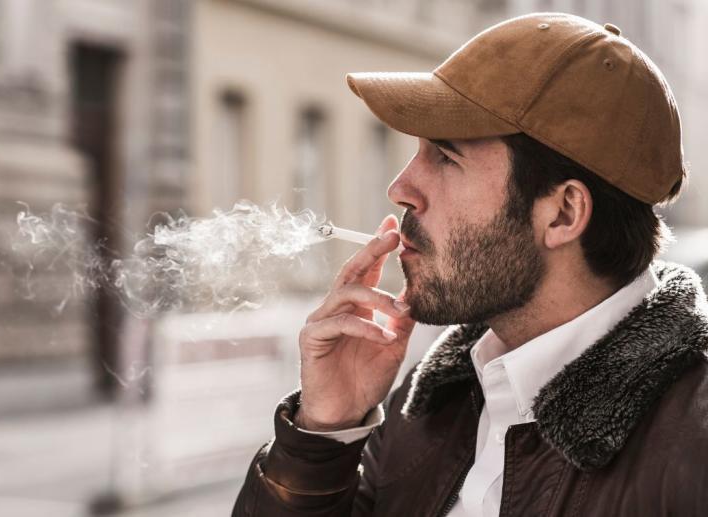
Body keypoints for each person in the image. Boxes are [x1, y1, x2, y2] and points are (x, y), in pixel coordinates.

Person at [232, 12, 708, 516]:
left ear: (563, 212)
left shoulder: (694, 445)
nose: (401, 189)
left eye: (446, 158)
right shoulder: (428, 407)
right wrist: (323, 437)